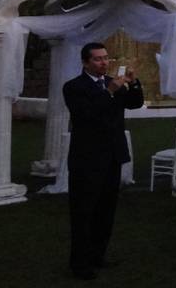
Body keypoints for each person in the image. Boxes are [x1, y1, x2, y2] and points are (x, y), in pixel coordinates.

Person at [62, 42, 144, 280]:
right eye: (98, 59)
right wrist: (109, 91)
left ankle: (98, 254)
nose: (104, 62)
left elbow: (134, 103)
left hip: (112, 157)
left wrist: (133, 82)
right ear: (86, 62)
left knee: (106, 211)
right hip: (87, 159)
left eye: (106, 58)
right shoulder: (74, 87)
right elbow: (86, 115)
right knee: (83, 212)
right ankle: (80, 263)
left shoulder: (113, 82)